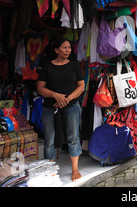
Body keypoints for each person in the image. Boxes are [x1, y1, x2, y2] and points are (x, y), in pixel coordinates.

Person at [37, 38, 85, 181]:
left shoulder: (74, 66)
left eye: (69, 48)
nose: (67, 50)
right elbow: (40, 88)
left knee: (73, 137)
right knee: (49, 139)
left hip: (72, 106)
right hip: (50, 107)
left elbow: (81, 86)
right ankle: (49, 170)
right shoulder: (47, 67)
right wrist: (55, 95)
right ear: (56, 50)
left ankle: (75, 169)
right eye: (64, 47)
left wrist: (67, 99)